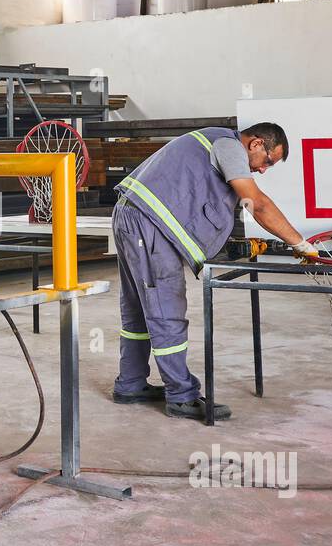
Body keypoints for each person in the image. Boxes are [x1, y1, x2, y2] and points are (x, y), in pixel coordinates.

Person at [113, 123, 316, 420]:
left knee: (138, 309)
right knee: (165, 309)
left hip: (133, 218)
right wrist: (300, 243)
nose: (263, 170)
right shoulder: (229, 145)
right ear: (256, 144)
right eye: (268, 161)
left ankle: (130, 384)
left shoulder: (212, 142)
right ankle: (181, 398)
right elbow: (256, 204)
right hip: (147, 226)